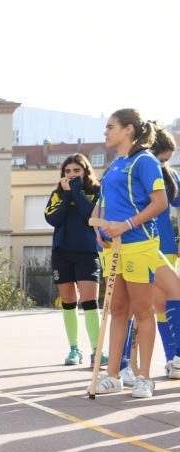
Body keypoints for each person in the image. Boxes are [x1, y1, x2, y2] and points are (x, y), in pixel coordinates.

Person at [93, 110, 179, 398]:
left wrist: (127, 225)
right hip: (113, 248)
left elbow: (160, 202)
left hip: (139, 245)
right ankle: (113, 375)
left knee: (143, 311)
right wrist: (100, 227)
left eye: (110, 127)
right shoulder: (116, 165)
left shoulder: (145, 161)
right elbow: (103, 204)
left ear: (128, 130)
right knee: (118, 311)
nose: (105, 132)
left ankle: (145, 378)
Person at [43, 154, 103, 366]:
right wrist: (67, 195)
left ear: (85, 171)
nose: (71, 175)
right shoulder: (58, 195)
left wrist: (76, 192)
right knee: (68, 302)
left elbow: (91, 215)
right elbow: (52, 218)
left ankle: (97, 350)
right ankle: (74, 349)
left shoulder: (96, 192)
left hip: (87, 253)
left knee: (90, 301)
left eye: (76, 170)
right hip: (62, 254)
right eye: (67, 171)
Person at [150, 128, 180, 378]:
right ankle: (171, 358)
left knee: (166, 301)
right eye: (160, 158)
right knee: (154, 305)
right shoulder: (138, 171)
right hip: (141, 244)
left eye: (167, 160)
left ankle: (173, 359)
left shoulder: (172, 177)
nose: (163, 164)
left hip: (167, 246)